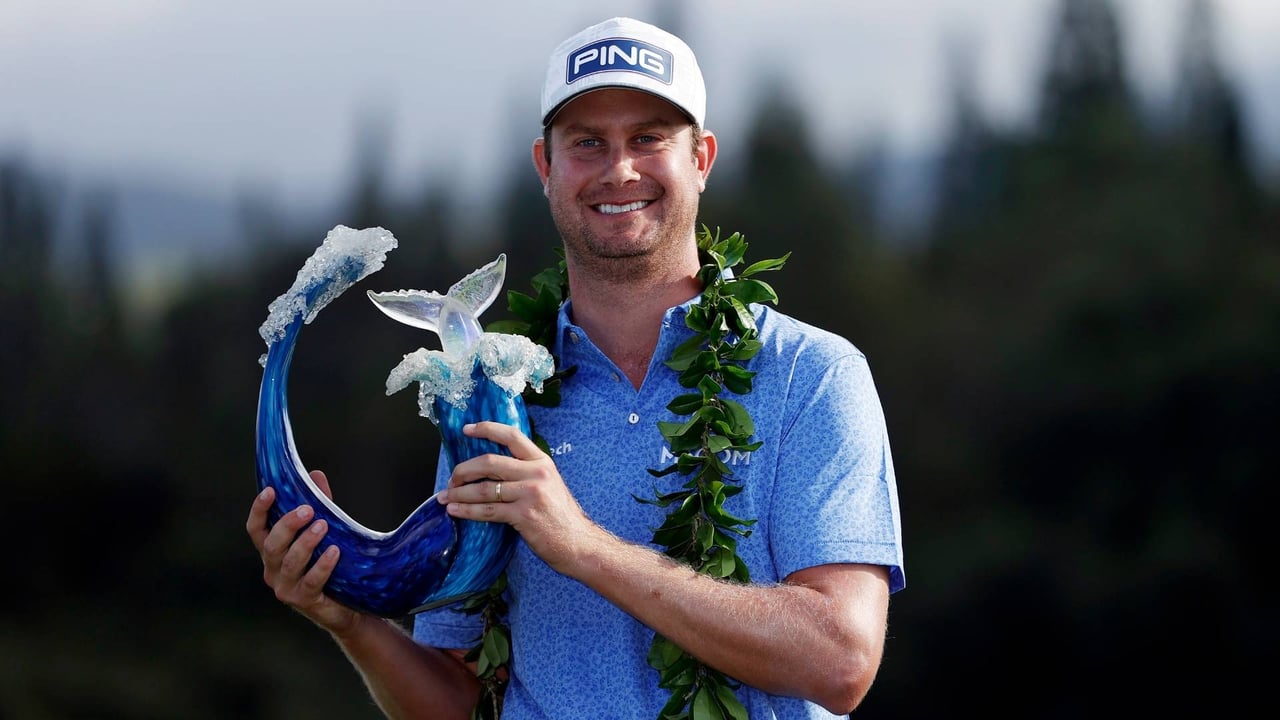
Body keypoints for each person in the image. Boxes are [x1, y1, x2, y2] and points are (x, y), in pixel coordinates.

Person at [247, 16, 905, 719]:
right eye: (588, 142)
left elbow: (840, 660)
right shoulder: (490, 391)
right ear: (546, 167)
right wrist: (350, 621)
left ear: (702, 159)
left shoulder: (812, 375)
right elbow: (458, 699)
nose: (619, 169)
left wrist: (581, 545)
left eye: (648, 138)